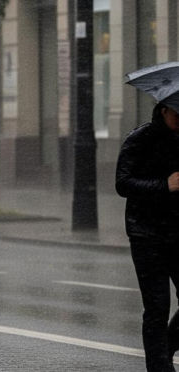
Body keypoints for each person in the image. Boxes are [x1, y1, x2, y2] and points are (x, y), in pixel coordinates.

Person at [116, 102, 179, 372]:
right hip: (147, 234)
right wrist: (164, 185)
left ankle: (164, 347)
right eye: (178, 113)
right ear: (164, 109)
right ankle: (158, 366)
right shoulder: (139, 139)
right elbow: (123, 183)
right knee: (157, 306)